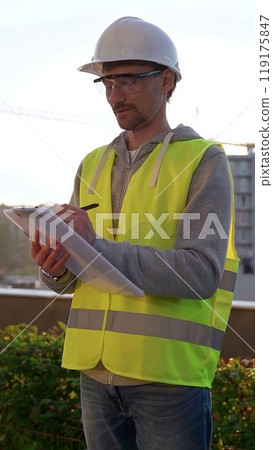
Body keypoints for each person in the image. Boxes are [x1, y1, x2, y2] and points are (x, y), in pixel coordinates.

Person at [31, 16, 239, 450]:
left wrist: (95, 246)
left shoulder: (204, 160)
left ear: (167, 81)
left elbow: (200, 273)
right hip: (94, 376)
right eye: (107, 83)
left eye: (128, 81)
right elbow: (80, 272)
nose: (114, 95)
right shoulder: (91, 163)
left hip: (167, 381)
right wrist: (55, 268)